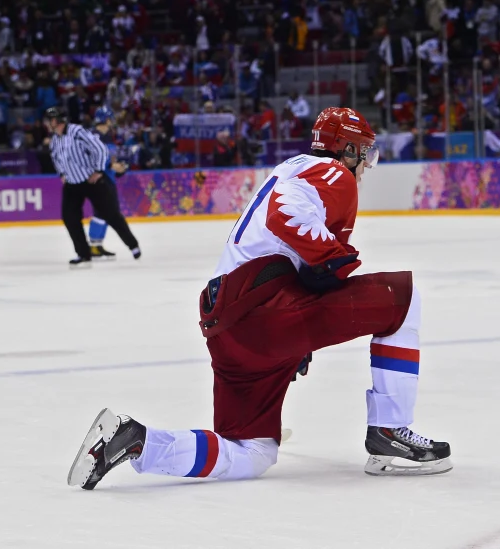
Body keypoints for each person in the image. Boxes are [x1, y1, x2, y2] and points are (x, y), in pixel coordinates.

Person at [68, 107, 451, 490]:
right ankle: (390, 431)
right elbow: (283, 214)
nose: (366, 165)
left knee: (251, 451)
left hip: (228, 327)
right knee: (401, 298)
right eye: (364, 153)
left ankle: (137, 441)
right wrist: (333, 257)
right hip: (263, 309)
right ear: (347, 150)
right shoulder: (334, 173)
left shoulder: (292, 167)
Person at [44, 107, 140, 267]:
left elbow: (100, 149)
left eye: (49, 120)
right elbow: (55, 156)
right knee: (69, 218)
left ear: (57, 120)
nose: (46, 123)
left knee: (110, 213)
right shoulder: (55, 139)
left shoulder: (77, 131)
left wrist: (99, 170)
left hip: (91, 181)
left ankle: (133, 245)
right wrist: (62, 173)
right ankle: (83, 253)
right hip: (72, 184)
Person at [86, 106, 130, 260]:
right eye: (111, 118)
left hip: (109, 178)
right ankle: (93, 246)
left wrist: (119, 168)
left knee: (107, 212)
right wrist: (110, 166)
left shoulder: (109, 136)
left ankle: (97, 245)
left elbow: (111, 158)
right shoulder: (92, 137)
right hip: (97, 179)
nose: (113, 122)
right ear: (106, 119)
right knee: (101, 211)